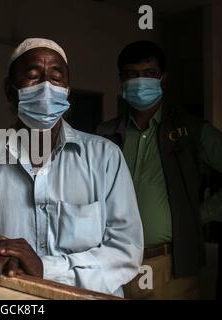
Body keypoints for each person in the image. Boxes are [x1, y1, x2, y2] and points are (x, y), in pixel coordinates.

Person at [0, 38, 143, 297]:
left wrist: (44, 269)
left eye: (56, 77)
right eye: (33, 76)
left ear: (68, 90)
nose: (47, 86)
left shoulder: (105, 157)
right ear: (10, 89)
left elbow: (125, 253)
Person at [97, 40, 222, 299]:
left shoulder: (193, 131)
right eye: (132, 75)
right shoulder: (105, 135)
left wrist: (197, 214)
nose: (140, 81)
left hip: (170, 266)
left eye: (149, 74)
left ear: (163, 78)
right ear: (121, 81)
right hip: (111, 262)